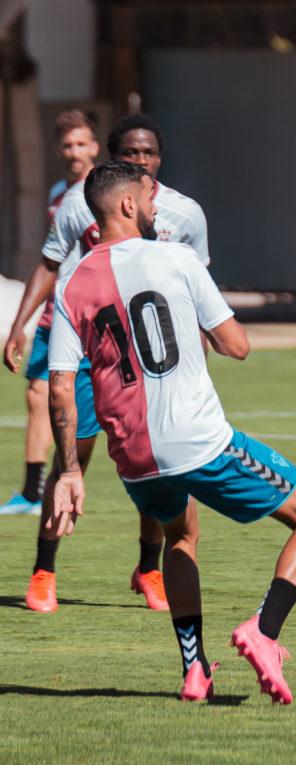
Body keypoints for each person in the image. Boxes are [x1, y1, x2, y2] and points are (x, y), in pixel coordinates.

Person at [46, 161, 296, 703]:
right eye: (150, 198)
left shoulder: (69, 284)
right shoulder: (176, 258)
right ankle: (264, 630)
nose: (158, 207)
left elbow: (61, 386)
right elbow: (237, 345)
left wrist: (68, 471)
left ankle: (195, 669)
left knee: (181, 535)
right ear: (129, 206)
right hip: (198, 442)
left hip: (133, 458)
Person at [7, 113, 211, 613]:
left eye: (148, 154)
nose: (139, 161)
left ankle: (149, 570)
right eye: (130, 153)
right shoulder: (81, 203)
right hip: (86, 347)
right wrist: (20, 321)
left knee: (155, 463)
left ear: (159, 159)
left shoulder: (185, 215)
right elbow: (51, 262)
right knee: (71, 457)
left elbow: (199, 282)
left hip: (146, 359)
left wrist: (200, 339)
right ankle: (44, 571)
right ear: (113, 156)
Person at [0, 110, 99, 516]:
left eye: (82, 143)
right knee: (36, 393)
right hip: (55, 311)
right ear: (59, 149)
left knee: (100, 404)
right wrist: (22, 321)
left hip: (93, 315)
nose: (75, 151)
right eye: (68, 145)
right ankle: (30, 490)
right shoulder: (59, 192)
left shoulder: (105, 191)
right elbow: (52, 258)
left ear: (95, 146)